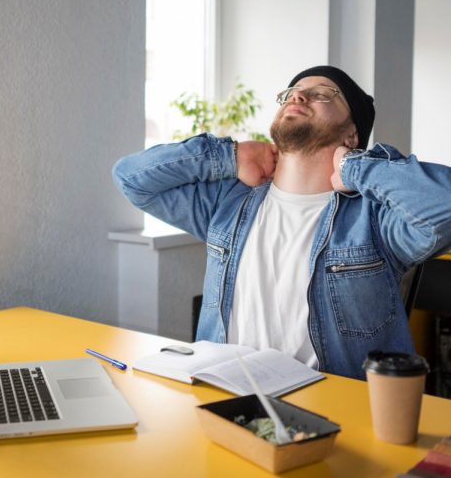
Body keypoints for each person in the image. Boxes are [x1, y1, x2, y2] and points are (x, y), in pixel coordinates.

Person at [112, 65, 451, 380]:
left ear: (352, 134)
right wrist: (229, 156)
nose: (298, 96)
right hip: (226, 394)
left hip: (332, 409)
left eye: (322, 93)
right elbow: (131, 178)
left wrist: (355, 168)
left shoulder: (375, 219)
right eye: (292, 92)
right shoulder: (229, 203)